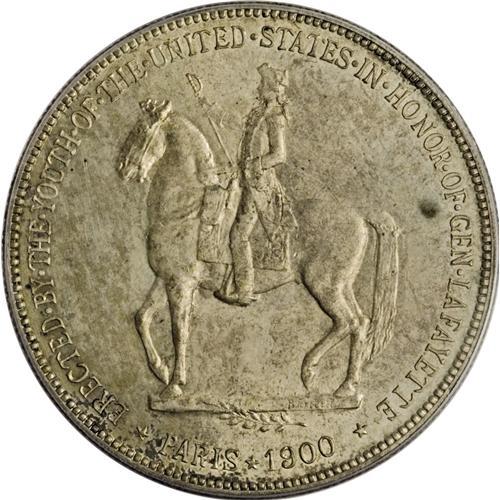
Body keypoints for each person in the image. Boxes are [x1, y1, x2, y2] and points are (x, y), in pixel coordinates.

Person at [215, 63, 296, 306]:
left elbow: (279, 155)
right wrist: (205, 102)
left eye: (263, 84)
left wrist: (252, 165)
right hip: (248, 180)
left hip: (259, 187)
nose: (259, 87)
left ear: (272, 89)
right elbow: (232, 124)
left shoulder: (275, 118)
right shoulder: (258, 114)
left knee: (238, 235)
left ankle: (244, 290)